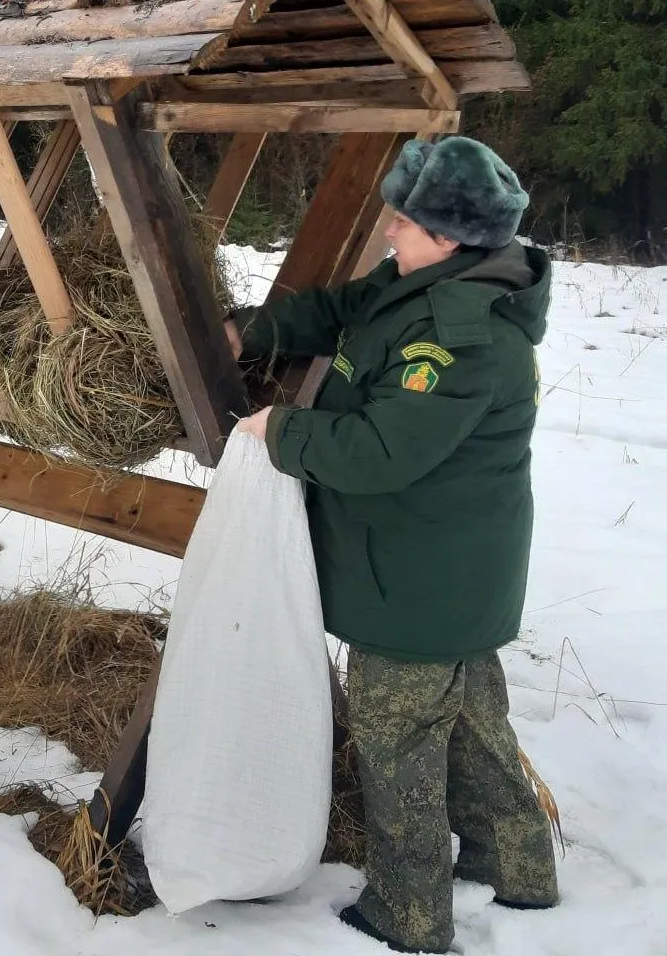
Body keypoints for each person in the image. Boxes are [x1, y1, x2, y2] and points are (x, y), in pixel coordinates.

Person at [225, 136, 560, 953]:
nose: (386, 231)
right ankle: (517, 867)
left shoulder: (463, 336)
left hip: (415, 581)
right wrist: (255, 331)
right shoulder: (426, 282)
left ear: (447, 237)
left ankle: (407, 913)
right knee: (475, 722)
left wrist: (283, 430)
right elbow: (344, 311)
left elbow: (380, 453)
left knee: (397, 739)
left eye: (403, 221)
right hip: (452, 574)